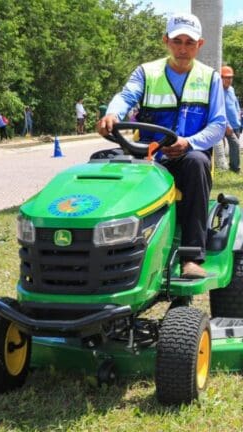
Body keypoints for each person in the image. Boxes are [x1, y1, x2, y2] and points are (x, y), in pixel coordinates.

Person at [97, 12, 226, 279]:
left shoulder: (210, 78)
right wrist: (112, 114)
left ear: (199, 45)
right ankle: (106, 248)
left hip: (186, 156)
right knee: (102, 160)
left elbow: (218, 125)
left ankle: (190, 257)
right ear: (166, 40)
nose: (182, 49)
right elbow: (126, 96)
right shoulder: (147, 72)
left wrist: (189, 142)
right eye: (177, 41)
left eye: (189, 43)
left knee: (197, 163)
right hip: (147, 155)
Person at [221, 65, 242, 173]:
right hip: (224, 125)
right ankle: (235, 168)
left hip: (235, 123)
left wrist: (239, 113)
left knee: (235, 147)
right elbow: (219, 109)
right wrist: (226, 124)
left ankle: (232, 166)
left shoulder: (232, 90)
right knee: (235, 145)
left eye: (230, 77)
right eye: (226, 77)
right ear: (221, 78)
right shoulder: (218, 91)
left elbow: (235, 103)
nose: (229, 80)